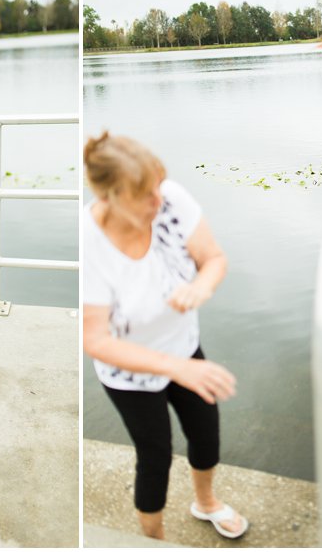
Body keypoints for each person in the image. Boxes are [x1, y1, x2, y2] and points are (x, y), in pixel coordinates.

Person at [82, 131, 248, 541]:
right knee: (155, 456)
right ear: (110, 197)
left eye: (158, 187)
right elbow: (97, 341)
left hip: (183, 347)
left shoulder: (170, 198)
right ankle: (151, 541)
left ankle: (205, 503)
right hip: (129, 372)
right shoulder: (89, 244)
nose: (159, 201)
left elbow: (213, 258)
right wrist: (175, 369)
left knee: (207, 433)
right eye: (145, 196)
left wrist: (201, 287)